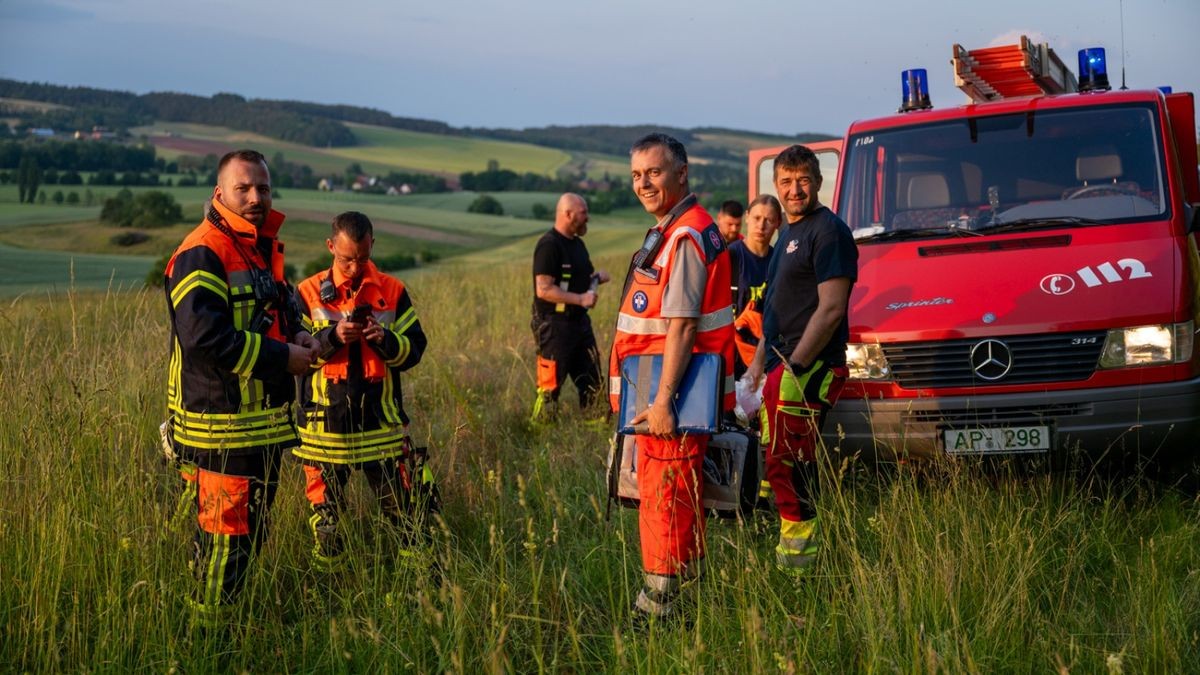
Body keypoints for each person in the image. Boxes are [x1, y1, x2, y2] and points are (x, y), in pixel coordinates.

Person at [163, 149, 319, 625]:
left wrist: (298, 335)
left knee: (248, 538)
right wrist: (283, 358)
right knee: (222, 542)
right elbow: (204, 339)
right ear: (219, 194)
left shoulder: (261, 247)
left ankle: (227, 626)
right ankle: (206, 639)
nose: (256, 197)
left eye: (264, 189)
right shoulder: (202, 251)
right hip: (220, 431)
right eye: (244, 188)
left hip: (260, 430)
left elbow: (276, 313)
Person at [610, 133, 735, 621]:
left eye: (654, 173)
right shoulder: (679, 228)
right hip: (671, 396)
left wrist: (662, 402)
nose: (643, 183)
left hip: (673, 400)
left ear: (681, 173)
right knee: (681, 498)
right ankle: (686, 601)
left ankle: (657, 609)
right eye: (636, 175)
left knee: (664, 502)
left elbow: (682, 325)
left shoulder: (683, 235)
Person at [293, 211, 433, 570]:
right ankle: (328, 584)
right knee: (327, 522)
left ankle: (416, 579)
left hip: (381, 426)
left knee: (406, 513)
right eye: (346, 259)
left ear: (373, 246)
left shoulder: (394, 291)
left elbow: (415, 349)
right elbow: (294, 354)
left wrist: (385, 339)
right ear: (330, 247)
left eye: (363, 258)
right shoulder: (306, 293)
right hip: (325, 428)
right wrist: (332, 339)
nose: (355, 268)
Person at [745, 145, 858, 573]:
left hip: (809, 367)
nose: (795, 190)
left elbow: (831, 309)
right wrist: (758, 366)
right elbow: (773, 308)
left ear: (819, 182)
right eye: (787, 182)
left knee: (788, 461)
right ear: (776, 186)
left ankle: (801, 565)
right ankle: (790, 545)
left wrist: (794, 364)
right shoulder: (788, 234)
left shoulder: (828, 232)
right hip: (779, 365)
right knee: (779, 457)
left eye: (803, 180)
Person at [530, 193, 611, 420]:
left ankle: (594, 428)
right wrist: (580, 299)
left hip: (579, 325)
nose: (588, 218)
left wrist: (596, 279)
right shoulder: (549, 245)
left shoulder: (577, 244)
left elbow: (580, 279)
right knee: (550, 385)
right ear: (568, 214)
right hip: (554, 326)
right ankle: (541, 428)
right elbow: (543, 289)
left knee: (593, 382)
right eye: (583, 213)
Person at [728, 194, 782, 378]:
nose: (761, 226)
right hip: (731, 358)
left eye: (769, 220)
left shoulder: (779, 263)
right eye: (757, 218)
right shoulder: (730, 256)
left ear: (778, 224)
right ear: (747, 217)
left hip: (766, 359)